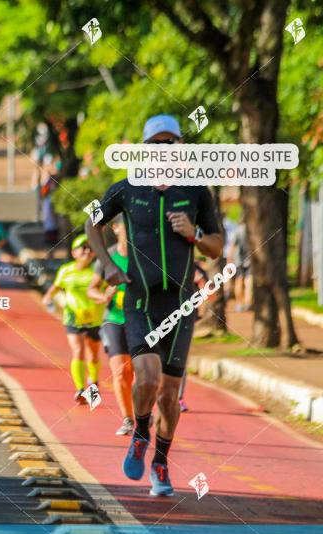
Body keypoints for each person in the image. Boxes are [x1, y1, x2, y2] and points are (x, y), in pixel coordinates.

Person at [85, 114, 223, 497]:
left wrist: (193, 233)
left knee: (169, 395)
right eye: (155, 144)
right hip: (140, 302)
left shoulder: (196, 190)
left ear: (180, 146)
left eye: (170, 143)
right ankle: (141, 433)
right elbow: (91, 224)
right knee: (146, 378)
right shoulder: (126, 188)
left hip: (180, 307)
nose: (163, 150)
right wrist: (109, 265)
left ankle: (160, 463)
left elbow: (217, 246)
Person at [42, 234, 104, 403]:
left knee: (93, 355)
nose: (87, 251)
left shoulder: (98, 271)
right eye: (83, 248)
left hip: (94, 318)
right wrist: (47, 298)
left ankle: (94, 378)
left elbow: (106, 291)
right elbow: (55, 288)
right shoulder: (66, 270)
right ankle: (80, 388)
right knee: (78, 351)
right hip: (72, 317)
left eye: (90, 248)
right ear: (74, 252)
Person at [87, 215, 134, 435]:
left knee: (140, 373)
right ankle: (128, 419)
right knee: (120, 370)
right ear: (115, 228)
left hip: (141, 319)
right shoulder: (108, 257)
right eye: (127, 226)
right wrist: (104, 296)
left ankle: (142, 412)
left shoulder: (143, 257)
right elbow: (91, 289)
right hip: (114, 319)